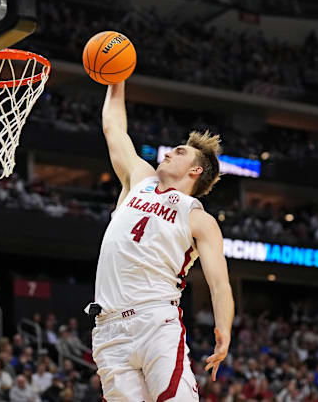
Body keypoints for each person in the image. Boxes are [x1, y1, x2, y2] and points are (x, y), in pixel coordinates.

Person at [87, 81, 234, 401]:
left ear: (196, 169)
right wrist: (117, 79)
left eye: (179, 152)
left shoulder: (198, 218)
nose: (169, 153)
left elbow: (219, 283)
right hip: (109, 330)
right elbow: (113, 127)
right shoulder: (140, 179)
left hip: (155, 322)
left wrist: (224, 329)